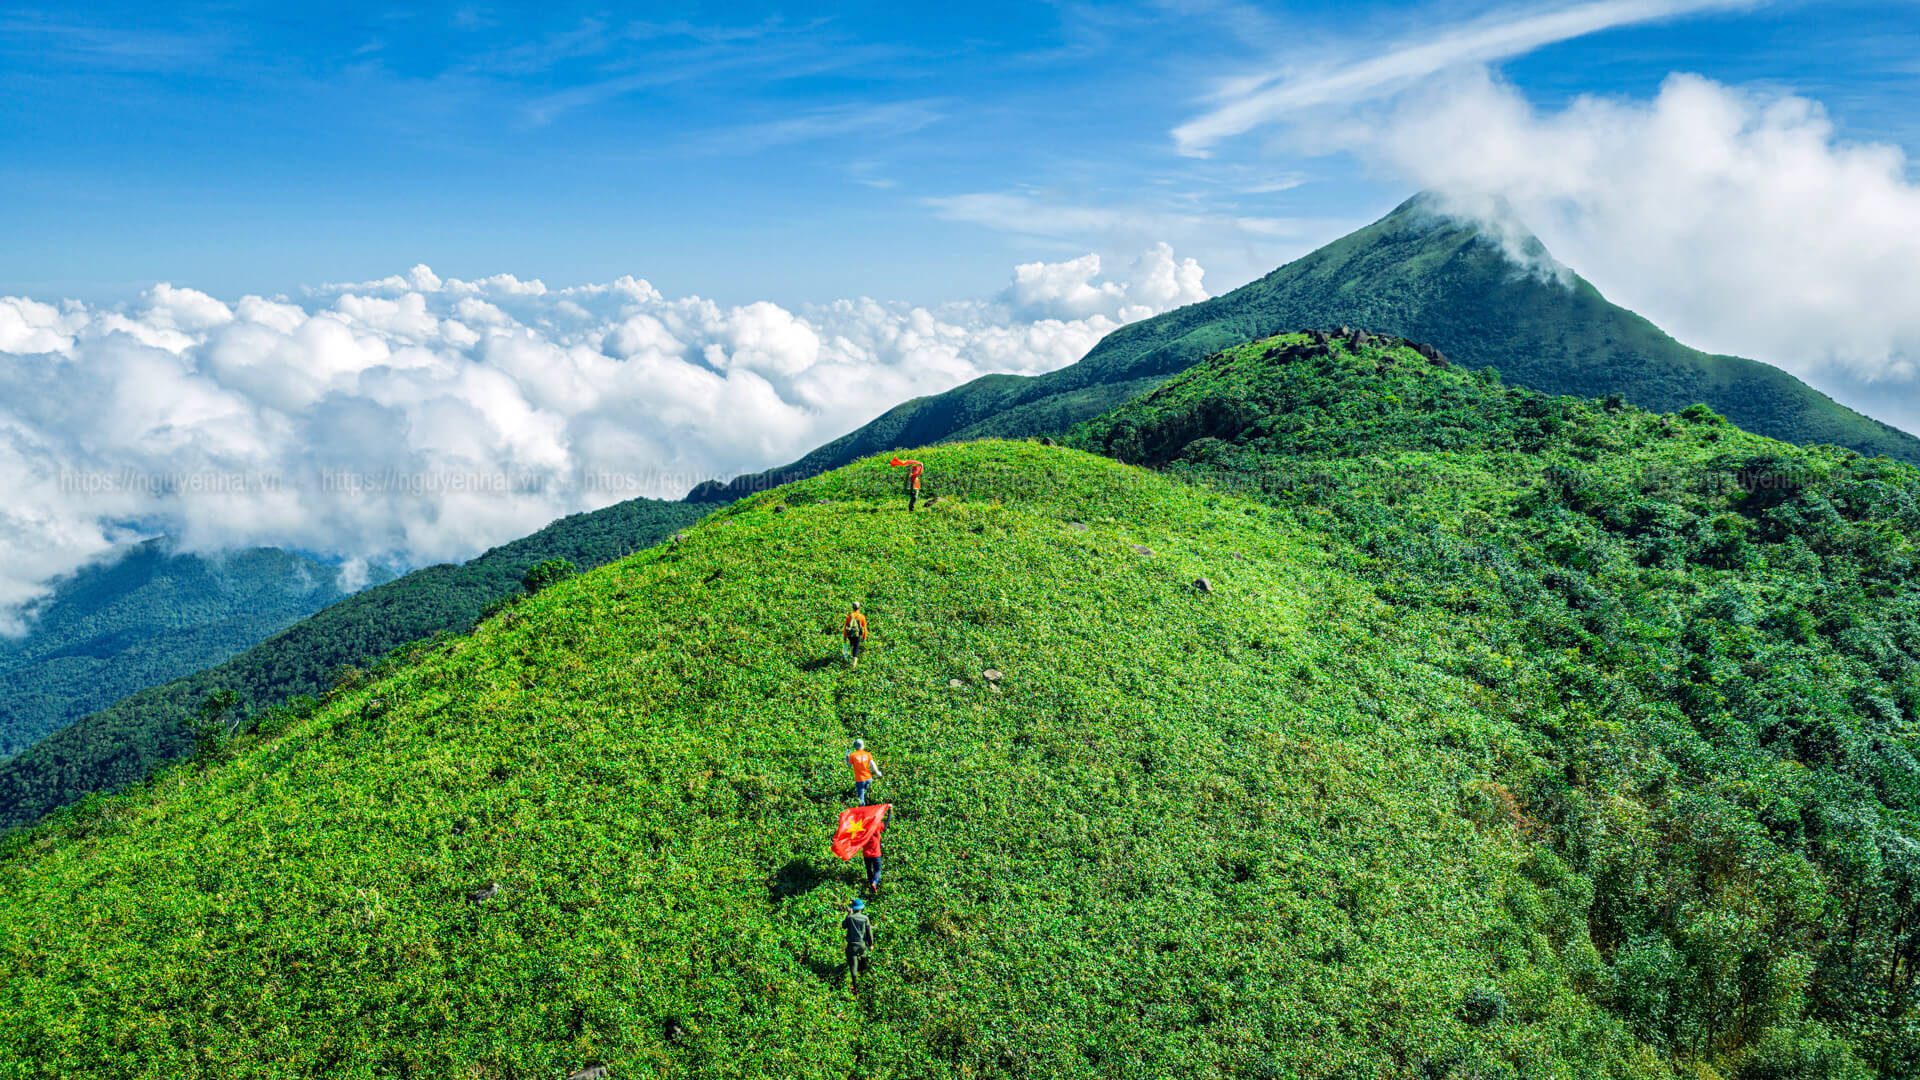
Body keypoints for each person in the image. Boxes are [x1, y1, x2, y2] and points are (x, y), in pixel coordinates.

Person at [843, 897, 875, 993]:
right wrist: (871, 944)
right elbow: (869, 932)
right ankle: (864, 972)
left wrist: (849, 914)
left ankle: (855, 987)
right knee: (863, 956)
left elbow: (843, 926)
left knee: (853, 966)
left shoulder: (850, 918)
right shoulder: (865, 918)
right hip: (862, 944)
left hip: (852, 945)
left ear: (853, 908)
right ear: (861, 908)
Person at [862, 805, 888, 896]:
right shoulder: (877, 826)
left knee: (869, 870)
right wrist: (889, 811)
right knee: (878, 870)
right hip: (876, 854)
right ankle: (875, 882)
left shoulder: (863, 827)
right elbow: (886, 823)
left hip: (866, 854)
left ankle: (871, 884)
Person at [848, 739, 882, 805]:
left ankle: (863, 813)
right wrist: (877, 772)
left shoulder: (852, 755)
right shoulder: (868, 754)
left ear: (855, 746)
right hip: (869, 778)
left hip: (860, 780)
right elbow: (872, 764)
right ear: (863, 746)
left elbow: (849, 765)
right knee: (871, 795)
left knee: (861, 799)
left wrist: (847, 758)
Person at [842, 601, 868, 669]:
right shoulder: (862, 617)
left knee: (852, 646)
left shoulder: (849, 616)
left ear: (852, 607)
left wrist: (844, 636)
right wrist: (864, 637)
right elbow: (864, 628)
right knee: (856, 648)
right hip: (857, 635)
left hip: (850, 635)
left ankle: (851, 660)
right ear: (859, 608)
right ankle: (853, 665)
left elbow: (845, 627)